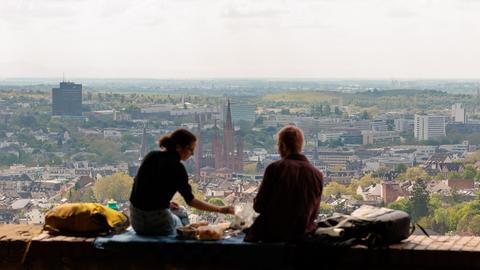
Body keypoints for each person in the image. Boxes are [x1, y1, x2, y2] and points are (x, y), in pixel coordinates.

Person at [129, 128, 235, 236]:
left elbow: (141, 185)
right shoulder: (178, 168)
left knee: (177, 212)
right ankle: (185, 240)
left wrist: (164, 202)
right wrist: (221, 209)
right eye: (191, 149)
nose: (193, 153)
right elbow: (191, 201)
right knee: (182, 214)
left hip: (136, 221)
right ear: (179, 147)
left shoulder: (151, 156)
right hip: (159, 224)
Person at [245, 125, 323, 242]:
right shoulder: (317, 174)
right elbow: (314, 214)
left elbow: (259, 206)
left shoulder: (275, 168)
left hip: (271, 236)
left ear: (283, 146)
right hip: (301, 237)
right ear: (300, 146)